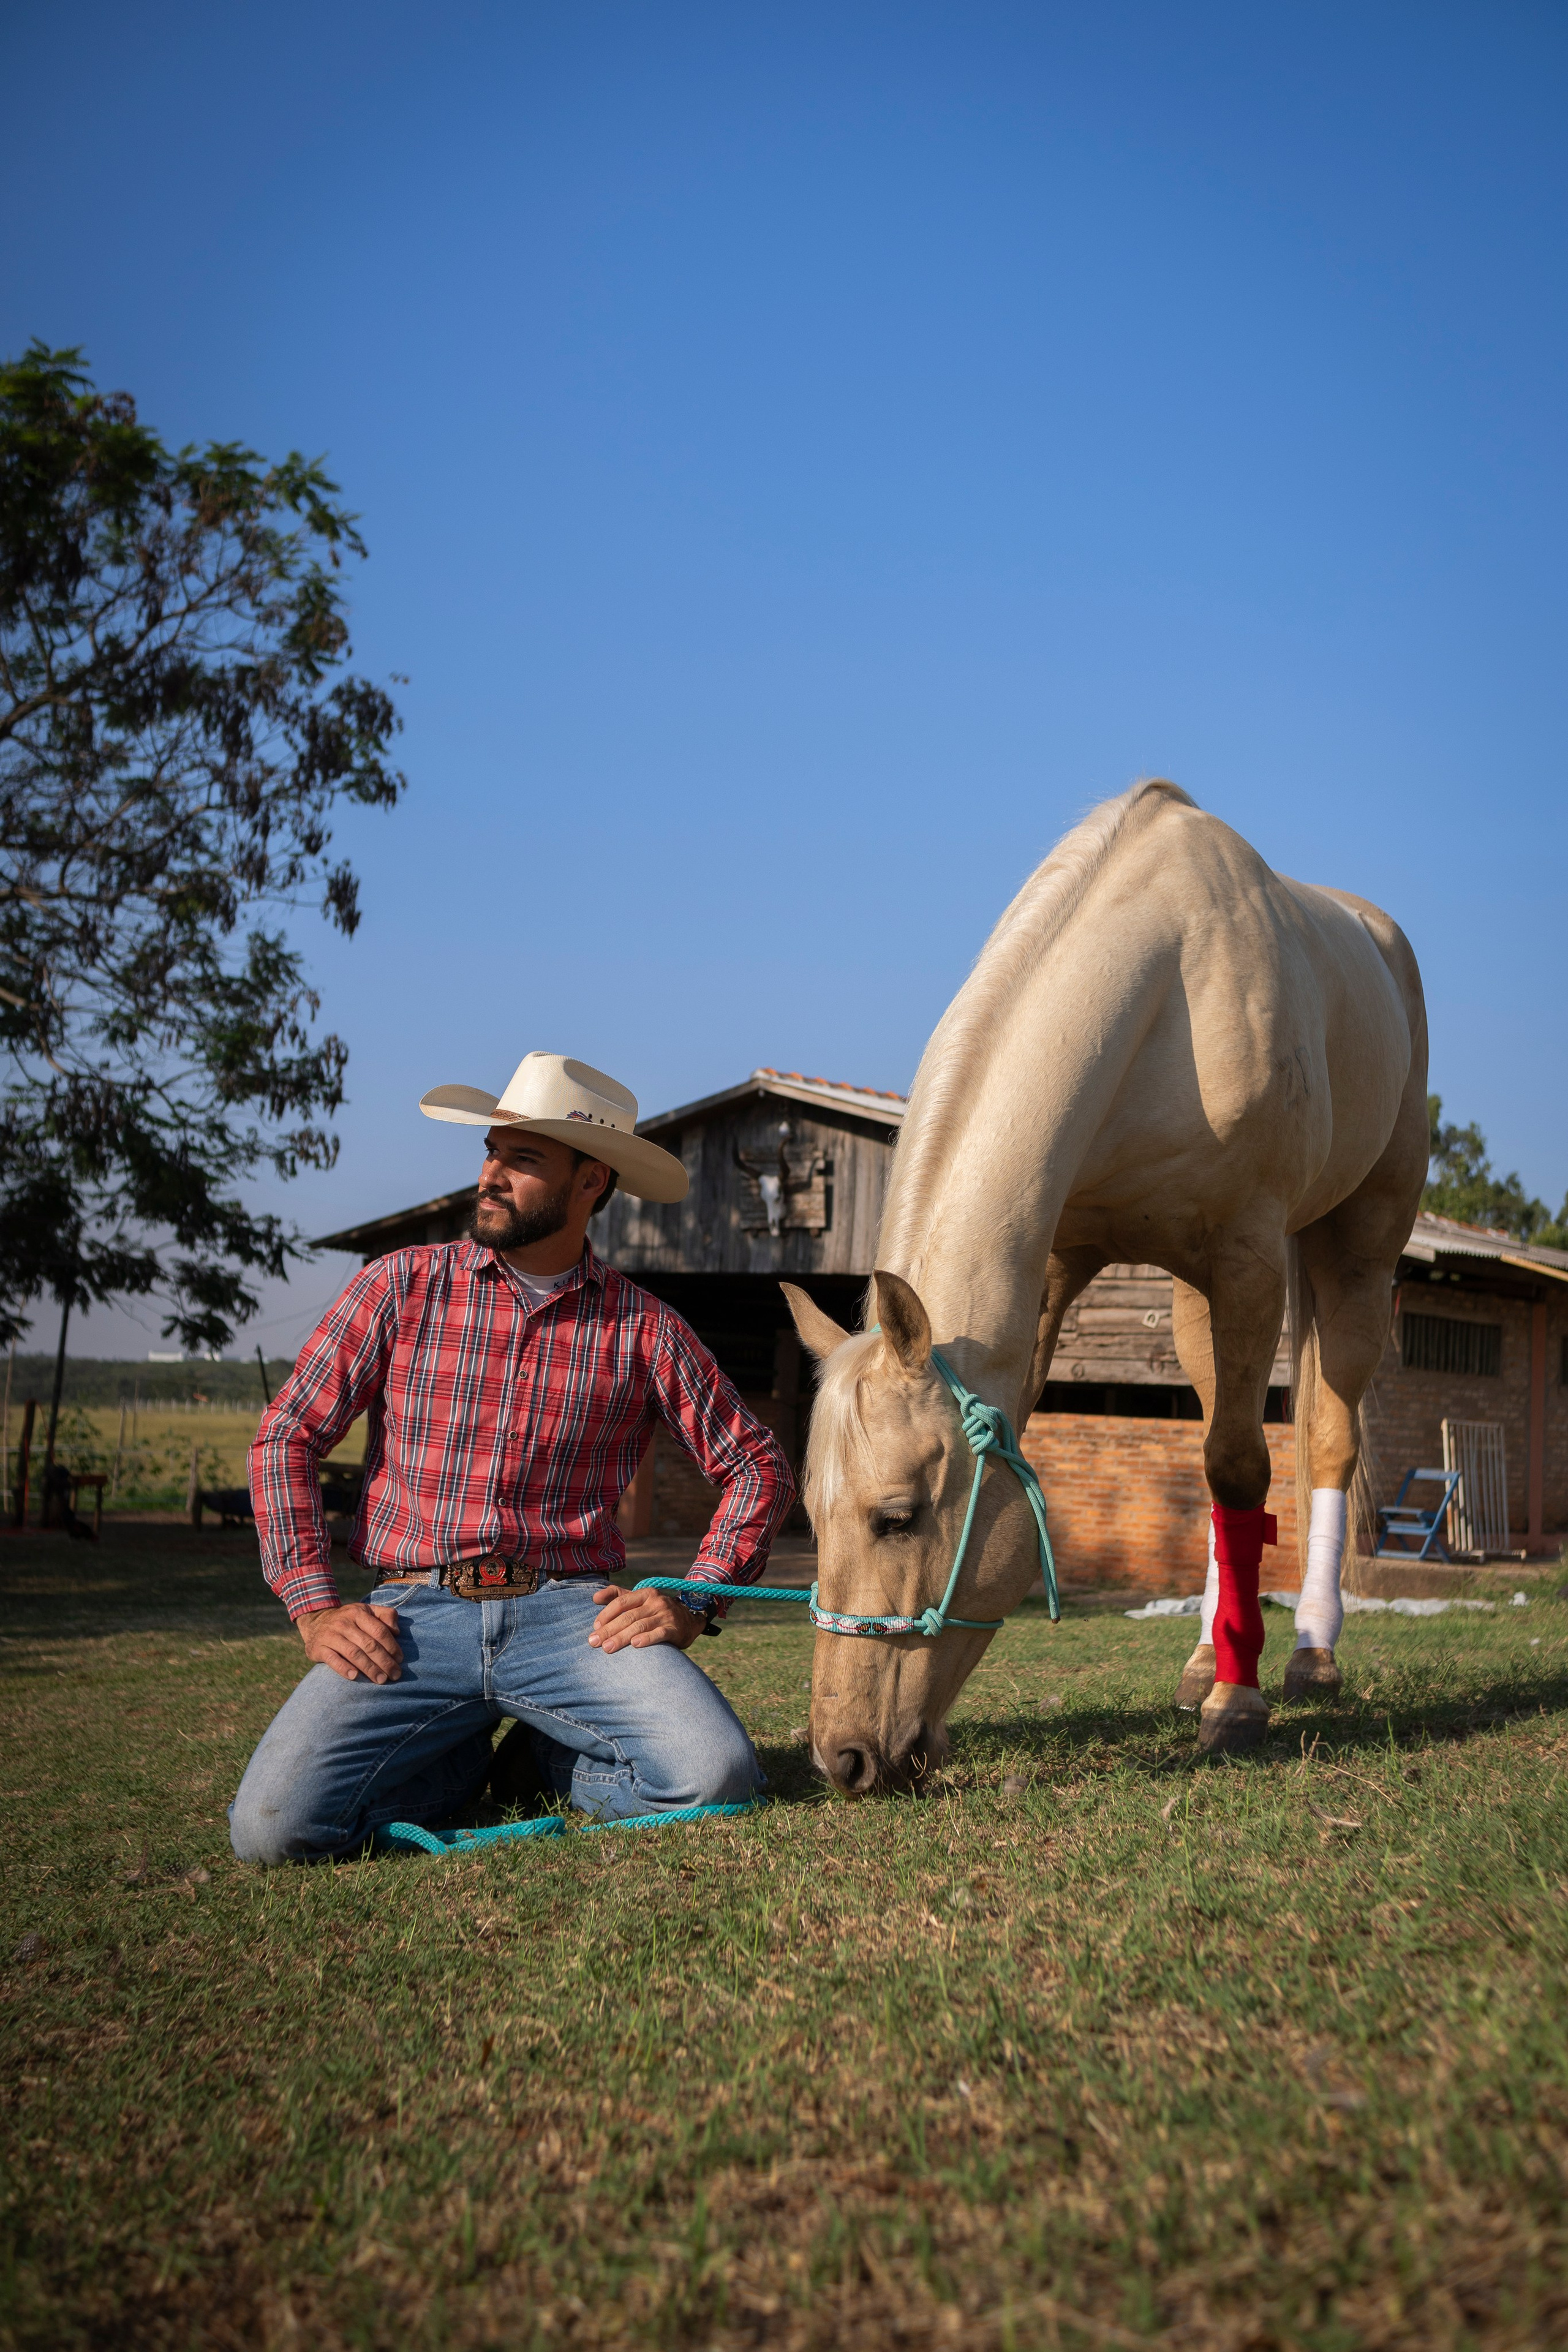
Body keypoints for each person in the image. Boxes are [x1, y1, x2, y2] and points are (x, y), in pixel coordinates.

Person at [230, 1052, 794, 1864]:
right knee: (273, 1834)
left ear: (591, 1181)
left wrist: (693, 1603)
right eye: (492, 1152)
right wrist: (314, 1607)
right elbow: (288, 1436)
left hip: (575, 1623)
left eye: (523, 1160)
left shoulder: (646, 1328)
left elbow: (758, 1467)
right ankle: (455, 1760)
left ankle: (547, 1762)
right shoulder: (399, 1286)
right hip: (413, 1620)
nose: (491, 1175)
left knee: (719, 1778)